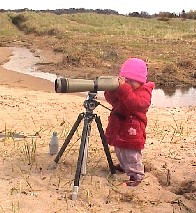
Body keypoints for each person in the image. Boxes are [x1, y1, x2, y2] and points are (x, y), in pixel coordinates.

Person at [104, 57, 155, 186]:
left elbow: (136, 104)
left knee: (131, 153)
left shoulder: (144, 92)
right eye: (127, 80)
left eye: (133, 81)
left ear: (141, 81)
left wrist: (124, 89)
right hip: (120, 127)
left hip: (133, 130)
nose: (129, 84)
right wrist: (111, 91)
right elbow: (114, 102)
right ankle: (124, 165)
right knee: (120, 149)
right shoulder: (125, 90)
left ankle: (136, 175)